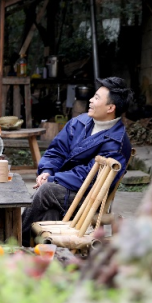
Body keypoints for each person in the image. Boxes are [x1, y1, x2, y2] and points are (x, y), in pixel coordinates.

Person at [21, 77, 134, 246]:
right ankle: (43, 251)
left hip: (88, 197)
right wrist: (47, 171)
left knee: (47, 191)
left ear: (111, 108)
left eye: (96, 98)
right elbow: (56, 150)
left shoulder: (116, 143)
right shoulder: (79, 122)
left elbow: (90, 176)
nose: (90, 100)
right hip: (65, 188)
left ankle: (14, 240)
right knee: (50, 208)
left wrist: (54, 179)